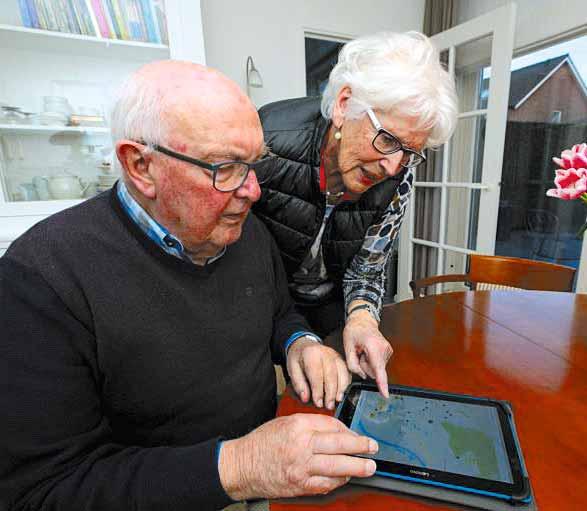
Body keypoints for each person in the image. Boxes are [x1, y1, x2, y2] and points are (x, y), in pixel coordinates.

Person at [0, 61, 379, 511]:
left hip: (271, 473)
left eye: (255, 163)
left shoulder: (245, 230)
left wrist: (299, 342)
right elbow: (41, 492)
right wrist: (240, 466)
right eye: (226, 167)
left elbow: (279, 311)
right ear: (141, 166)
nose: (253, 190)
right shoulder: (40, 280)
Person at [254, 31, 458, 397]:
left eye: (410, 152)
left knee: (343, 391)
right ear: (344, 105)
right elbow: (240, 264)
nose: (393, 166)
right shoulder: (266, 142)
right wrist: (294, 338)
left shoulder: (398, 175)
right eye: (388, 139)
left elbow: (367, 268)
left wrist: (362, 319)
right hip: (264, 297)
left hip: (330, 299)